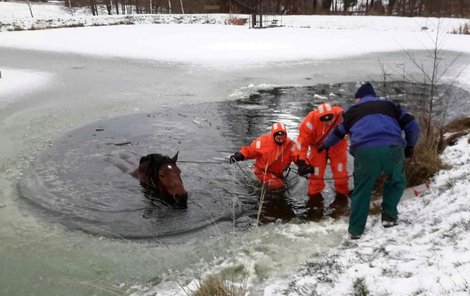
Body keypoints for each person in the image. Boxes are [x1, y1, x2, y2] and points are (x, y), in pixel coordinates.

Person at [321, 82, 420, 239]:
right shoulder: (391, 105)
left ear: (358, 98)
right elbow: (413, 125)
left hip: (365, 153)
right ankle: (389, 217)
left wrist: (324, 146)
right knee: (396, 181)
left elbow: (337, 134)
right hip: (392, 150)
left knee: (362, 190)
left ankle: (355, 231)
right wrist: (410, 146)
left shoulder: (352, 112)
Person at [297, 102, 349, 216]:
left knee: (341, 176)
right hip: (318, 148)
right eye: (324, 120)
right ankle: (314, 202)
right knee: (316, 176)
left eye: (330, 119)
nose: (328, 122)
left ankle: (342, 198)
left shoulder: (342, 115)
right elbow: (302, 142)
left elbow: (353, 129)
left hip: (337, 146)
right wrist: (301, 160)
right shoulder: (309, 122)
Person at [230, 122, 298, 191]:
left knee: (281, 185)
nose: (281, 141)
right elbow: (251, 150)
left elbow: (297, 156)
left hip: (278, 173)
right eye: (278, 139)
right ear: (273, 136)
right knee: (277, 185)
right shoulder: (263, 142)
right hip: (262, 172)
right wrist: (241, 155)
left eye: (283, 138)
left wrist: (303, 164)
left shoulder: (290, 145)